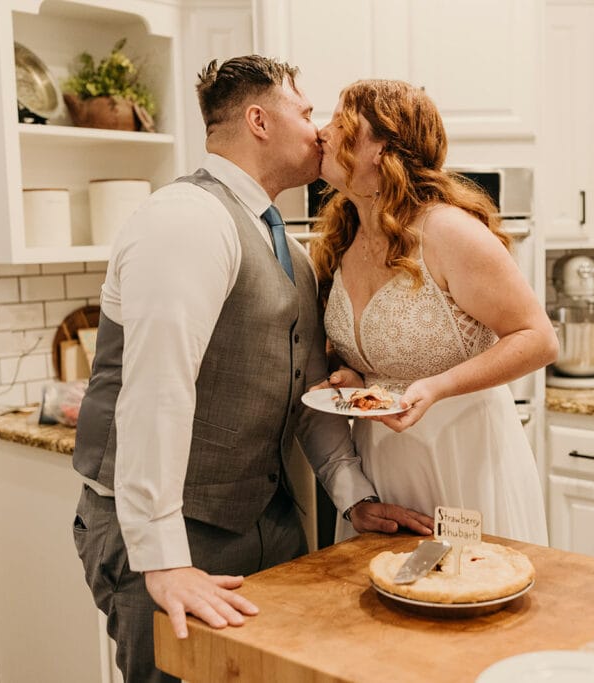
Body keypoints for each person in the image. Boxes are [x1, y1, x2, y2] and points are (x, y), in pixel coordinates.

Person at [71, 58, 434, 683]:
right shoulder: (184, 219)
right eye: (306, 112)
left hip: (267, 523)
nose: (321, 131)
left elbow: (306, 392)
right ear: (258, 120)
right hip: (167, 534)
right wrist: (163, 560)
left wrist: (355, 500)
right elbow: (157, 390)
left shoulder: (291, 251)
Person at [310, 79, 558, 545]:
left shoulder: (447, 232)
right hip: (380, 468)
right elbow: (369, 357)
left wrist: (439, 387)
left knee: (468, 597)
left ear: (382, 149)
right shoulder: (342, 241)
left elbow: (538, 338)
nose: (321, 133)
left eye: (340, 122)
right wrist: (352, 377)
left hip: (463, 457)